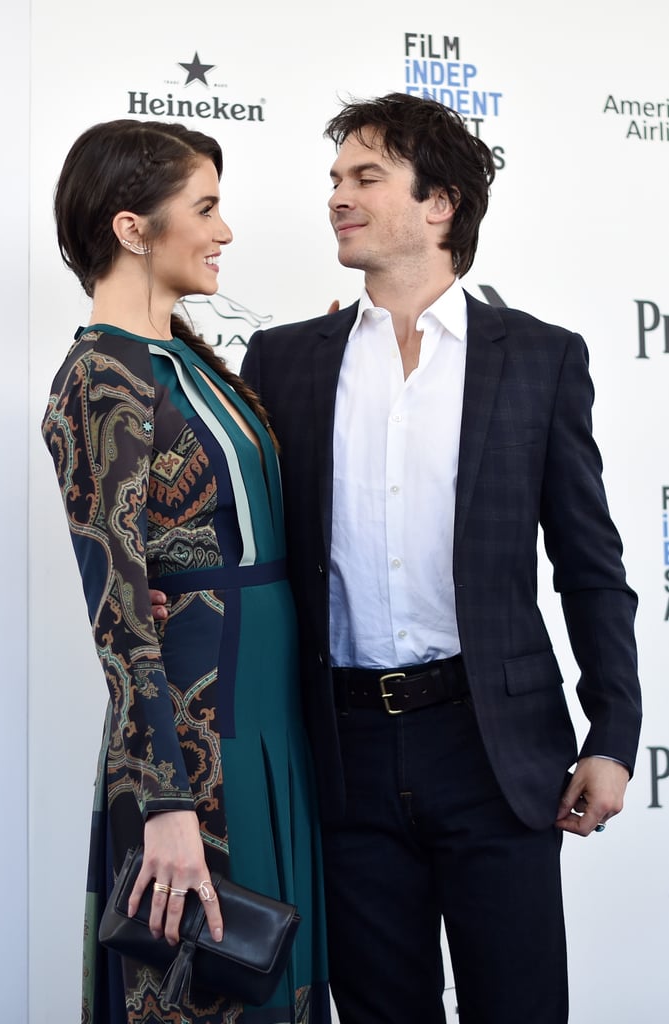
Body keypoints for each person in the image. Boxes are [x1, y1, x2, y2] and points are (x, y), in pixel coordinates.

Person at [232, 93, 642, 1023]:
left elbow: (589, 564)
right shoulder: (283, 360)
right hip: (339, 751)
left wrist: (613, 735)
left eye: (364, 177)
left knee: (520, 1007)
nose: (337, 196)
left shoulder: (538, 358)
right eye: (334, 180)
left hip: (493, 747)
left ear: (440, 203)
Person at [42, 119, 329, 1024]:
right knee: (215, 988)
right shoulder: (100, 378)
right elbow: (119, 613)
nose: (225, 231)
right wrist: (162, 802)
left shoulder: (192, 362)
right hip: (198, 741)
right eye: (204, 208)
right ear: (133, 229)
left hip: (277, 722)